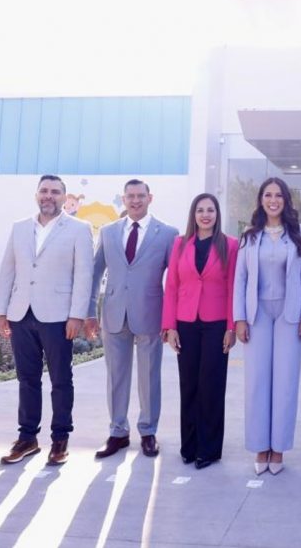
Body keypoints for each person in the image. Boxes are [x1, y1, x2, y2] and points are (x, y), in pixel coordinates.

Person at [0, 174, 94, 466]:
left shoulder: (79, 229)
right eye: (44, 191)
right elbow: (7, 271)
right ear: (36, 195)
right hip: (20, 313)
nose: (48, 196)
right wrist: (1, 312)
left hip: (59, 316)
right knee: (27, 378)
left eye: (55, 192)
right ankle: (27, 437)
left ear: (64, 197)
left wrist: (76, 315)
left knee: (61, 379)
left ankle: (60, 438)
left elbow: (84, 275)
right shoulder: (20, 227)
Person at [88, 179, 179, 460]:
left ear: (150, 198)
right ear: (124, 199)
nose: (136, 201)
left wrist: (171, 321)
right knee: (116, 376)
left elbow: (175, 280)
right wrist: (90, 312)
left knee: (149, 376)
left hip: (150, 314)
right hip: (114, 314)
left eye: (141, 196)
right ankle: (118, 432)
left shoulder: (168, 233)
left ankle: (148, 432)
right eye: (130, 196)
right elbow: (95, 273)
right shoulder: (108, 232)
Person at [234, 177, 301, 475]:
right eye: (268, 195)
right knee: (256, 381)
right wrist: (239, 318)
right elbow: (240, 279)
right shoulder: (250, 234)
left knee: (285, 382)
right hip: (257, 315)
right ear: (261, 199)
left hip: (289, 315)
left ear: (286, 200)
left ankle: (278, 447)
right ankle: (260, 446)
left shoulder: (300, 233)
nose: (273, 200)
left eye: (278, 195)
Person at [162, 193, 240, 469]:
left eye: (210, 210)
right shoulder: (180, 243)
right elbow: (172, 285)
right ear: (193, 215)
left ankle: (209, 449)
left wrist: (231, 327)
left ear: (217, 215)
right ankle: (190, 446)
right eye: (200, 210)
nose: (205, 215)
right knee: (189, 385)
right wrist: (169, 326)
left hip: (216, 323)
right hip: (186, 322)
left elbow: (233, 287)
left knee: (212, 385)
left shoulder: (230, 245)